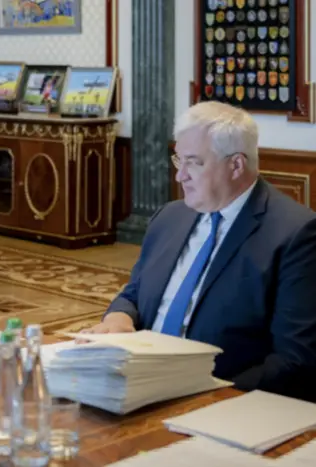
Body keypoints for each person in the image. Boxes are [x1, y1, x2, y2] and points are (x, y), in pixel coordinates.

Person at [86, 101, 316, 401]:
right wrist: (119, 316)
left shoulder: (295, 234)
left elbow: (296, 359)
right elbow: (134, 293)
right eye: (178, 160)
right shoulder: (169, 217)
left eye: (193, 163)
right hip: (138, 381)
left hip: (220, 397)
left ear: (236, 165)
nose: (180, 176)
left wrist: (207, 394)